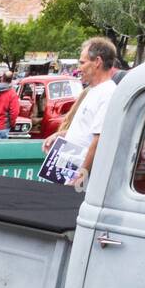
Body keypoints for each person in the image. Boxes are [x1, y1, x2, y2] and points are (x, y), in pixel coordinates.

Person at [43, 37, 118, 190]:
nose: (78, 68)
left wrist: (81, 174)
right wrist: (61, 135)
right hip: (68, 169)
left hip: (78, 178)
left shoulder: (107, 93)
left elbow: (98, 140)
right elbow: (87, 130)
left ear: (97, 61)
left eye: (82, 63)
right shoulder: (93, 91)